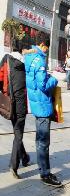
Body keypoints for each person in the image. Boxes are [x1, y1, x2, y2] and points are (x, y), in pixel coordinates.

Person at [24, 40, 62, 187]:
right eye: (46, 47)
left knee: (40, 140)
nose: (46, 50)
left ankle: (43, 170)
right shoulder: (39, 60)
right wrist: (53, 79)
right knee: (43, 142)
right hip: (42, 105)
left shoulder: (29, 57)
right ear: (42, 44)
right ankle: (45, 173)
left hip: (36, 103)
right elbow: (43, 85)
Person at [4, 38, 31, 178]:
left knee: (16, 131)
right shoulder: (25, 64)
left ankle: (25, 157)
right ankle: (14, 166)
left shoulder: (5, 59)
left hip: (8, 104)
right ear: (22, 50)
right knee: (18, 133)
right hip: (20, 104)